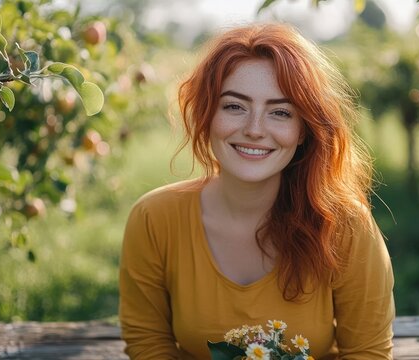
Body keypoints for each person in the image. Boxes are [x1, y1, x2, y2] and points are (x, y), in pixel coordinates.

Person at [119, 22, 394, 360]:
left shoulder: (346, 225)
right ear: (207, 114)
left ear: (304, 130)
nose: (254, 129)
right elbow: (148, 344)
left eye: (280, 112)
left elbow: (368, 352)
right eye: (234, 106)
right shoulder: (154, 219)